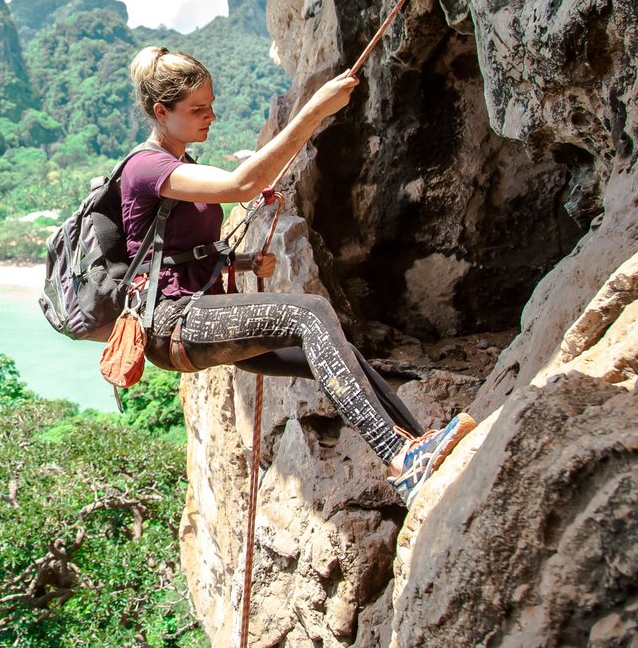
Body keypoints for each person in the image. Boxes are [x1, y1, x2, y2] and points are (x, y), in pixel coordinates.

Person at [123, 45, 475, 506]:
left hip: (195, 319)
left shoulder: (183, 167)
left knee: (336, 352)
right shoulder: (146, 166)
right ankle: (398, 458)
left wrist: (245, 263)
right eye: (197, 109)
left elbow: (180, 252)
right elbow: (238, 185)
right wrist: (314, 111)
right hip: (172, 324)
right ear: (160, 112)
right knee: (309, 314)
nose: (210, 115)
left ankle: (413, 447)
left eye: (211, 104)